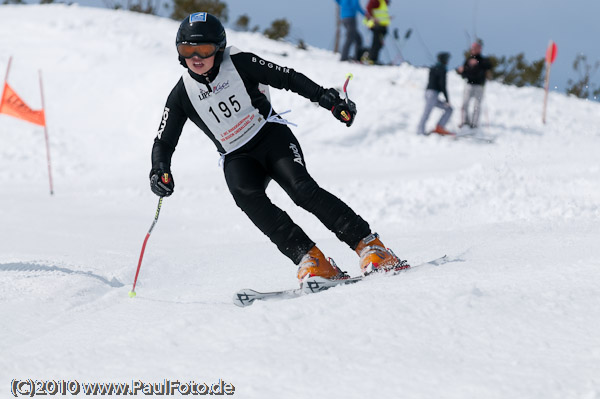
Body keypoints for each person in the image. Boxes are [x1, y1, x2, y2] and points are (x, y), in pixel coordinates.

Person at [150, 12, 408, 285]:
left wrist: (328, 100)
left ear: (219, 48)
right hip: (237, 155)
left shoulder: (240, 62)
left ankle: (371, 247)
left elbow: (288, 78)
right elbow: (164, 140)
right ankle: (312, 259)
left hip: (270, 136)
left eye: (203, 49)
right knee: (246, 197)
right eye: (187, 50)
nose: (195, 57)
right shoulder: (182, 94)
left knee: (302, 190)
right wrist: (159, 169)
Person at [456, 40, 492, 128]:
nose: (474, 49)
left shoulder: (483, 60)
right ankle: (465, 122)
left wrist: (477, 63)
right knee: (465, 104)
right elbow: (463, 72)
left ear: (480, 49)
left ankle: (474, 124)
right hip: (469, 85)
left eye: (476, 48)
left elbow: (488, 65)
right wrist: (461, 70)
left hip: (479, 86)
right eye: (473, 48)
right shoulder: (468, 60)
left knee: (477, 106)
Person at [417, 52, 453, 135]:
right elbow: (442, 85)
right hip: (432, 94)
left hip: (428, 93)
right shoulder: (442, 69)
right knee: (427, 112)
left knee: (449, 109)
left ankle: (439, 127)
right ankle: (420, 131)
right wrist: (447, 99)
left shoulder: (434, 68)